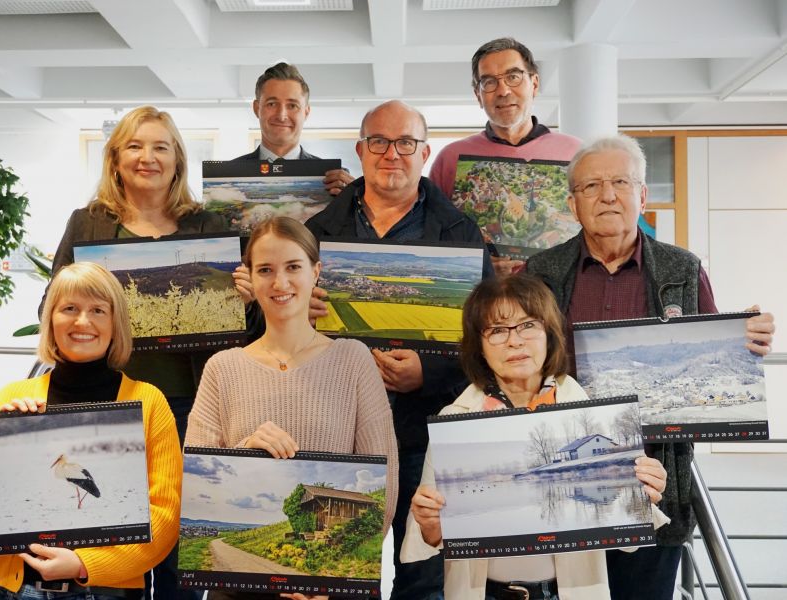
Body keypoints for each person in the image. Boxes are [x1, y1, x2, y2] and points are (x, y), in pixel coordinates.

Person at [526, 134, 776, 600]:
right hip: (565, 481)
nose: (607, 195)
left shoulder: (682, 268)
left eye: (621, 182)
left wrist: (742, 343)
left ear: (642, 195)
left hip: (655, 481)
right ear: (572, 203)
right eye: (591, 186)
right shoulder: (540, 271)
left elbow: (713, 364)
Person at [304, 99, 494, 599]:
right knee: (335, 570)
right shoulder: (316, 234)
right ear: (361, 151)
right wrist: (297, 314)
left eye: (406, 143)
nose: (393, 154)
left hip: (426, 432)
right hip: (336, 430)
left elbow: (488, 333)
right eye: (380, 142)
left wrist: (427, 374)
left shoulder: (461, 233)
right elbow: (267, 325)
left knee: (425, 572)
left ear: (425, 152)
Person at [47, 105, 233, 599]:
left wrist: (245, 298)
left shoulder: (209, 225)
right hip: (109, 408)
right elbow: (54, 305)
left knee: (178, 558)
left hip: (191, 408)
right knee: (112, 547)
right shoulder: (86, 225)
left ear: (177, 161)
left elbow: (241, 329)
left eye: (160, 147)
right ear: (115, 159)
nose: (147, 157)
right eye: (134, 145)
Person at [401, 274, 669, 600]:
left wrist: (643, 493)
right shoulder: (455, 420)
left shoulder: (588, 414)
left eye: (528, 325)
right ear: (479, 346)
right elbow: (431, 537)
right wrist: (429, 522)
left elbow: (625, 536)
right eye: (497, 330)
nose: (515, 341)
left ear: (549, 334)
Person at [186, 216, 398, 600]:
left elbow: (385, 480)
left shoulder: (353, 359)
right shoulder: (222, 368)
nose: (280, 283)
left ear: (316, 273)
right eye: (265, 270)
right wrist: (243, 453)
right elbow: (195, 481)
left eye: (293, 267)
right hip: (238, 593)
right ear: (249, 278)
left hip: (332, 586)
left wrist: (328, 573)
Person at [0, 262, 181, 600]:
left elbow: (164, 518)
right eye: (69, 308)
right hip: (15, 590)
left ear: (115, 323)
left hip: (110, 593)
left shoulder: (149, 403)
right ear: (50, 320)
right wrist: (2, 441)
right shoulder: (11, 399)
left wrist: (83, 563)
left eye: (98, 310)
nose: (82, 322)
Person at [428, 38, 581, 275]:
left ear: (535, 84)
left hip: (560, 303)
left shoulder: (577, 153)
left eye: (513, 76)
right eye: (489, 82)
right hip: (481, 303)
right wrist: (479, 271)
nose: (503, 91)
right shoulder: (450, 158)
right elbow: (432, 241)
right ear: (478, 95)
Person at [234, 62, 353, 196]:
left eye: (292, 106)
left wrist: (357, 206)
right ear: (257, 108)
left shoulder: (337, 179)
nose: (281, 116)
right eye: (272, 104)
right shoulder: (228, 173)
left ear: (306, 112)